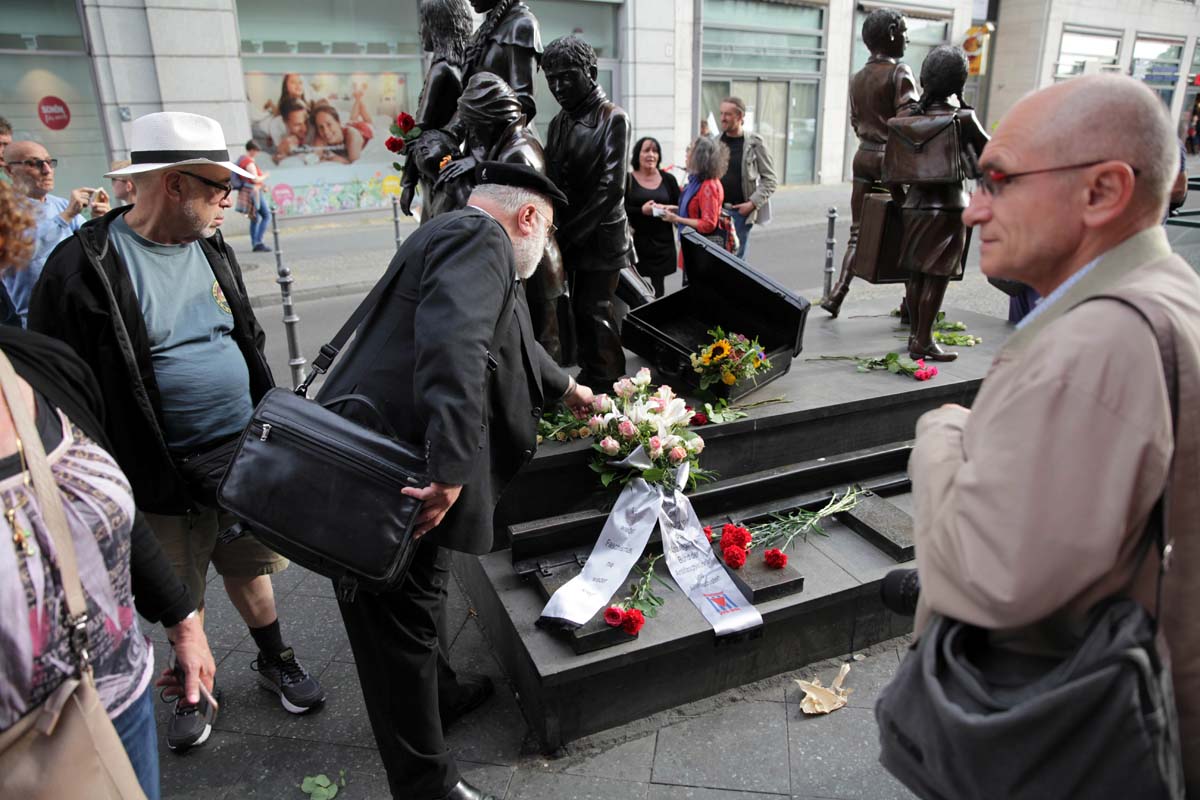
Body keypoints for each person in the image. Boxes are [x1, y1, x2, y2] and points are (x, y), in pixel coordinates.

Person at [905, 74, 1200, 795]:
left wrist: (941, 434)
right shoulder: (1167, 292)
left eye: (998, 181)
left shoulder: (1097, 345)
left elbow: (984, 573)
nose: (973, 211)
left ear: (1102, 191)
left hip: (1069, 747)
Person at [28, 111, 325, 753]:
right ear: (173, 186)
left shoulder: (211, 246)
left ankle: (275, 658)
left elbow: (242, 337)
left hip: (240, 456)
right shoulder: (84, 265)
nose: (229, 201)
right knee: (176, 586)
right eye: (220, 188)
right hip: (155, 468)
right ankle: (190, 684)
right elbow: (57, 389)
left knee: (248, 565)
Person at [316, 162, 594, 800]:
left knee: (420, 597)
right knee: (397, 625)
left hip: (395, 458)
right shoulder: (481, 242)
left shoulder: (459, 231)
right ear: (528, 217)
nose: (544, 248)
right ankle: (427, 785)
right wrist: (448, 468)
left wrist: (569, 388)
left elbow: (510, 336)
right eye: (547, 232)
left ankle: (439, 695)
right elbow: (455, 347)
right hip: (399, 469)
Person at [0, 179, 216, 799]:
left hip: (115, 699)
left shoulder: (38, 366)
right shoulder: (86, 260)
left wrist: (182, 621)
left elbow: (104, 507)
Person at [544, 35, 633, 388]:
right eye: (551, 79)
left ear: (591, 72)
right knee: (576, 311)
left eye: (566, 76)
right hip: (569, 234)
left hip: (601, 236)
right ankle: (592, 370)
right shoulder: (559, 123)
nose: (558, 86)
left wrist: (571, 234)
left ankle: (610, 379)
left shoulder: (613, 119)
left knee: (595, 308)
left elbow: (612, 188)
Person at [820, 8, 920, 318]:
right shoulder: (899, 72)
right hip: (890, 160)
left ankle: (838, 292)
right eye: (903, 30)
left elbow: (854, 120)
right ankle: (910, 303)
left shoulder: (857, 78)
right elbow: (909, 122)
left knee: (857, 231)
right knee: (911, 229)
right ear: (891, 32)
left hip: (862, 155)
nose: (907, 37)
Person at [897, 46, 989, 362]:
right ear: (957, 82)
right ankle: (923, 340)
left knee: (916, 274)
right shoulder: (962, 119)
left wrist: (901, 201)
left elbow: (893, 170)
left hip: (912, 206)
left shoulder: (905, 120)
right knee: (937, 275)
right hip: (947, 208)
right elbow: (991, 154)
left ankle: (915, 336)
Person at [2, 140, 110, 325]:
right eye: (34, 163)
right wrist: (67, 215)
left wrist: (101, 221)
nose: (47, 170)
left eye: (48, 162)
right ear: (10, 171)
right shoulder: (7, 210)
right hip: (38, 319)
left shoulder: (59, 204)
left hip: (79, 310)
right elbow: (22, 254)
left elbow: (92, 250)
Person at [400, 0, 473, 219]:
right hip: (450, 163)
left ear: (438, 26)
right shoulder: (463, 66)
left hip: (434, 166)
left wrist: (408, 182)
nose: (420, 30)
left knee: (432, 231)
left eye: (425, 22)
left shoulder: (441, 70)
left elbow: (418, 132)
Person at [717, 96, 776, 260]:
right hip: (714, 213)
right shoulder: (715, 143)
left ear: (740, 117)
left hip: (738, 214)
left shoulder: (754, 143)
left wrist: (752, 204)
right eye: (721, 113)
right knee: (715, 263)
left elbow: (770, 180)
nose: (722, 118)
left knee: (735, 264)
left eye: (727, 114)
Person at [463, 0, 542, 123]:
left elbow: (524, 102)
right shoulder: (486, 28)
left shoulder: (522, 23)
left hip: (507, 137)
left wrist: (488, 135)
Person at [662, 135, 730, 273]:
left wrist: (677, 219)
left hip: (700, 249)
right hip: (694, 246)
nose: (687, 155)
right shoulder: (698, 181)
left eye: (690, 151)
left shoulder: (708, 185)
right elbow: (696, 210)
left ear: (699, 157)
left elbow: (708, 224)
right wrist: (675, 209)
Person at [626, 136, 681, 298]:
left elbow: (681, 208)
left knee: (659, 291)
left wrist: (669, 209)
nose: (651, 155)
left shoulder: (668, 179)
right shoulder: (627, 179)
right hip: (637, 243)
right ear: (638, 155)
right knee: (635, 291)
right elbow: (620, 209)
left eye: (655, 151)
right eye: (646, 151)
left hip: (662, 244)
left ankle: (655, 322)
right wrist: (642, 210)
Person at [236, 141, 272, 252]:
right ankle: (258, 242)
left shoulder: (242, 160)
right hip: (253, 192)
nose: (257, 153)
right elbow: (254, 179)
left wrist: (262, 185)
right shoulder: (248, 162)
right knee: (266, 215)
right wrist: (265, 176)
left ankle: (255, 243)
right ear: (252, 150)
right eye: (256, 151)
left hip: (250, 191)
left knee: (255, 218)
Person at [273, 98, 313, 163]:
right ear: (285, 122)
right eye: (297, 124)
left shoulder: (314, 127)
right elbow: (277, 159)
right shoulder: (277, 129)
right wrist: (282, 152)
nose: (304, 129)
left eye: (306, 122)